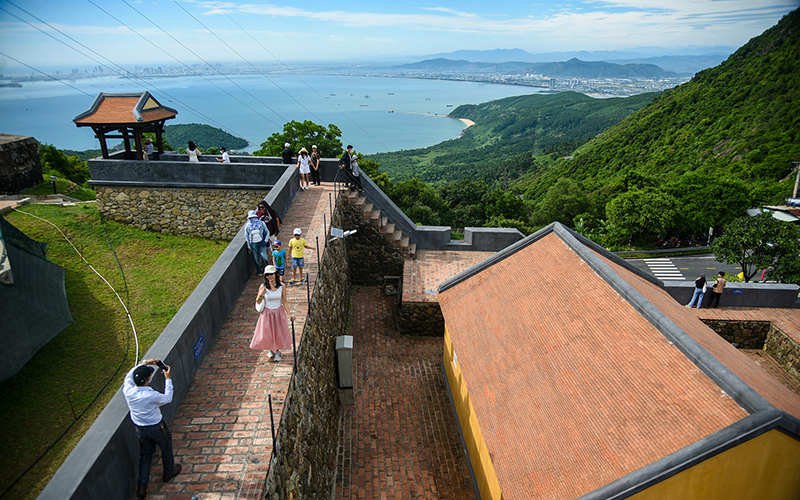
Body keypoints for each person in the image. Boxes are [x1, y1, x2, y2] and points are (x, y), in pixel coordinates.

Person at [123, 358, 182, 498]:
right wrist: (168, 379)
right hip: (156, 428)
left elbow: (130, 374)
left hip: (140, 429)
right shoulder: (150, 395)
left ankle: (142, 487)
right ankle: (168, 472)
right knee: (166, 448)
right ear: (147, 380)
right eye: (149, 376)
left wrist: (145, 362)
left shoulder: (128, 390)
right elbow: (167, 398)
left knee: (146, 455)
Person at [251, 264, 293, 363]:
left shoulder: (282, 286)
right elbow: (257, 301)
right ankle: (271, 349)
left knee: (278, 332)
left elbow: (285, 301)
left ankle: (277, 351)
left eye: (271, 274)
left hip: (278, 312)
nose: (270, 276)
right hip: (267, 312)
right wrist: (261, 295)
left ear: (275, 274)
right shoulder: (263, 286)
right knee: (268, 332)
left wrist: (290, 313)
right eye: (267, 275)